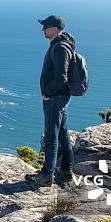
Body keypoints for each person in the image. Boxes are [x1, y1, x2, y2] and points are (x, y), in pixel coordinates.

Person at [26, 15, 75, 186]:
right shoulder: (61, 45)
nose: (43, 29)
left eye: (46, 26)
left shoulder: (60, 48)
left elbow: (61, 78)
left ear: (55, 29)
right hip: (60, 97)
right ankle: (66, 170)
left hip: (55, 98)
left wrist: (47, 93)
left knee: (51, 136)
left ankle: (47, 175)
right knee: (62, 133)